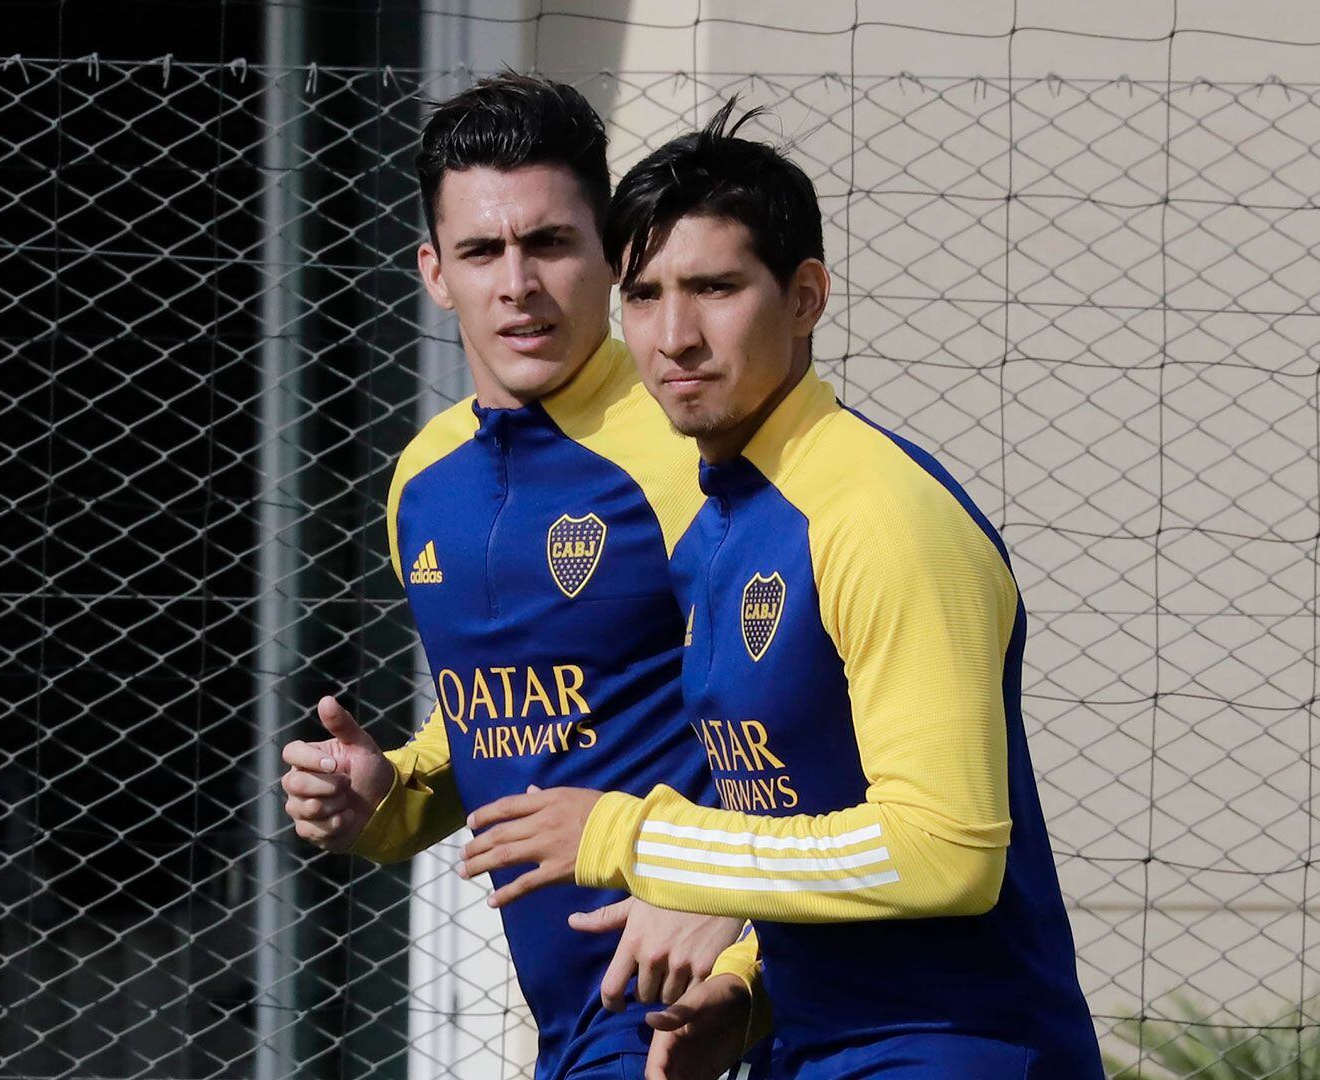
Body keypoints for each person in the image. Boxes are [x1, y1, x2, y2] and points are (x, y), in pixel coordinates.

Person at [458, 101, 1105, 1079]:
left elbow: (946, 856)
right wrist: (751, 990)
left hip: (956, 1053)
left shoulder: (880, 515)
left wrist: (642, 838)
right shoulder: (717, 523)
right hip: (809, 1048)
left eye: (715, 288)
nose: (674, 336)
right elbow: (804, 814)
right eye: (643, 295)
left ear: (806, 296)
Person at [278, 75, 767, 1080]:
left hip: (695, 1012)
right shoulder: (423, 479)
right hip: (568, 1026)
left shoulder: (696, 447)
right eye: (482, 251)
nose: (518, 283)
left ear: (611, 255)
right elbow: (512, 721)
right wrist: (387, 798)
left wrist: (749, 953)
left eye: (549, 244)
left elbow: (808, 724)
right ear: (433, 271)